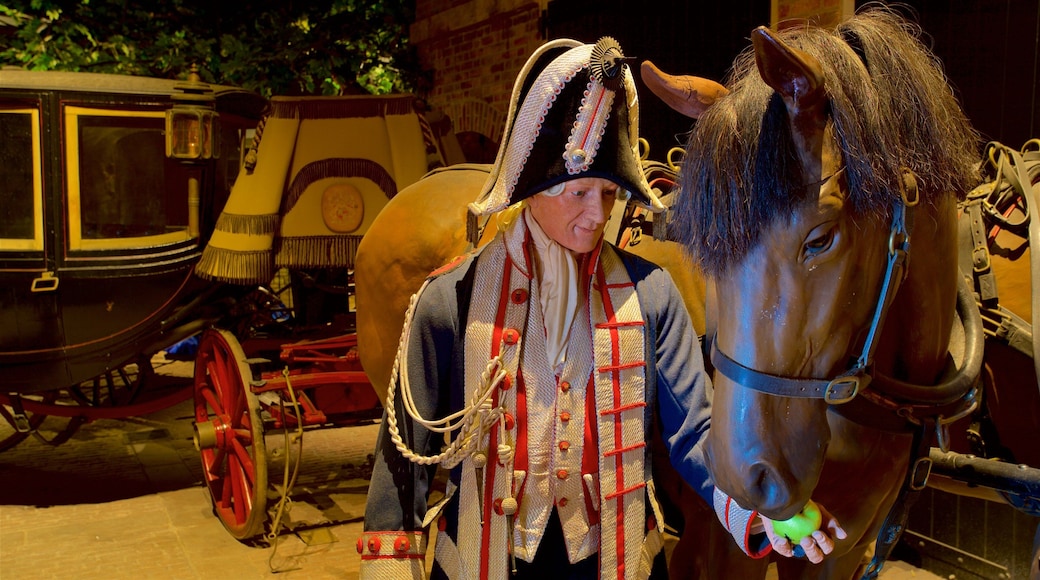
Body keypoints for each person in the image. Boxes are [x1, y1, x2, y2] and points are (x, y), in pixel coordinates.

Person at [358, 37, 842, 579]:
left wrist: (770, 515)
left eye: (609, 195)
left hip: (618, 563)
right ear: (531, 188)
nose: (597, 215)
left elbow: (694, 436)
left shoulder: (652, 293)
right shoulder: (449, 299)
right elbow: (402, 467)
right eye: (579, 192)